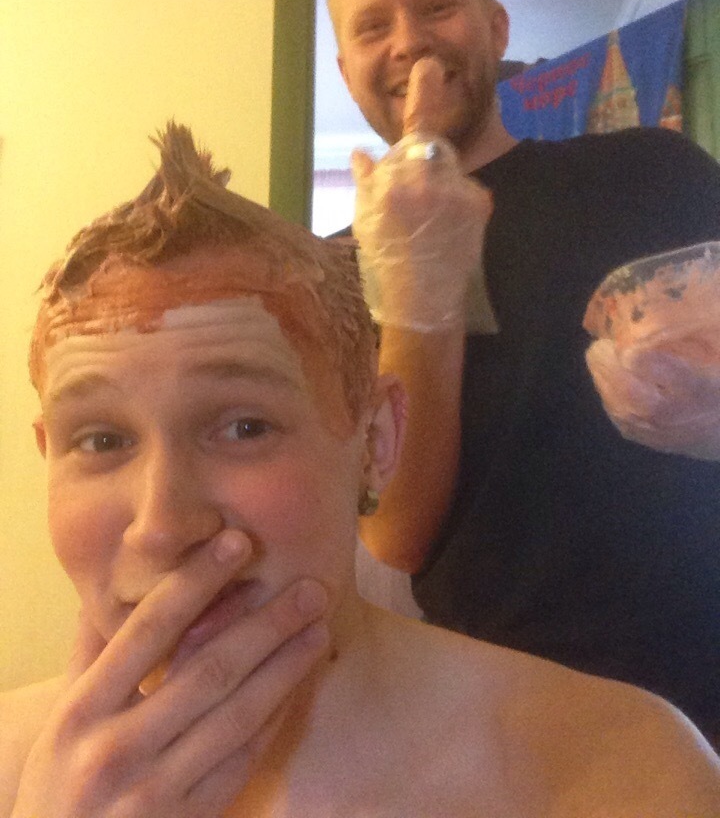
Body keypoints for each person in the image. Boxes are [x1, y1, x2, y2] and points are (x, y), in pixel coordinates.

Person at [3, 123, 720, 817]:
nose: (162, 527)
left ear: (376, 439)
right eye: (100, 441)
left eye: (245, 428)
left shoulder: (619, 769)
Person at [327, 0, 720, 749]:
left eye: (438, 7)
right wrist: (416, 277)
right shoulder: (328, 277)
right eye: (372, 26)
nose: (408, 42)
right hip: (494, 717)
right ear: (344, 65)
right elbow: (396, 533)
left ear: (496, 27)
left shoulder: (651, 172)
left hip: (703, 678)